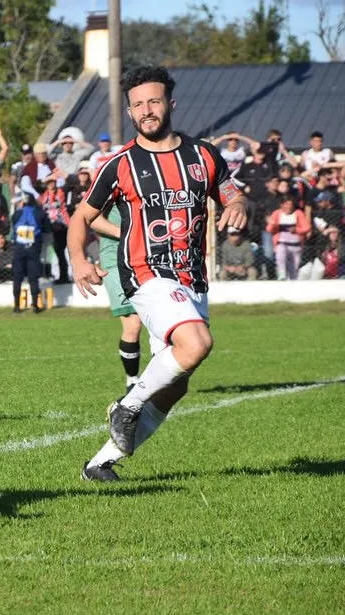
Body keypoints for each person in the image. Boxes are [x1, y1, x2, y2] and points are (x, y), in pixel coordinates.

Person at [68, 65, 247, 481]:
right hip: (146, 273)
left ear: (170, 103)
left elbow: (231, 192)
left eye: (153, 101)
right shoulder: (120, 164)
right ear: (130, 113)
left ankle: (100, 463)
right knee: (197, 343)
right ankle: (127, 405)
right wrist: (79, 259)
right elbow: (83, 215)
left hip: (192, 279)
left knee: (176, 384)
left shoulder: (203, 155)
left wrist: (238, 205)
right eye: (137, 104)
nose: (146, 110)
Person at [88, 202, 144, 391]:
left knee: (159, 323)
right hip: (116, 259)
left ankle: (159, 381)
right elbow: (91, 218)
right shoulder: (114, 177)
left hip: (147, 258)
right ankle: (133, 380)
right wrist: (125, 233)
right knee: (133, 324)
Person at [10, 194, 47, 312]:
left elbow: (13, 227)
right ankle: (35, 305)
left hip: (19, 249)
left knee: (17, 278)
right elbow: (47, 228)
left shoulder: (16, 214)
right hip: (33, 249)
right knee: (33, 278)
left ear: (23, 203)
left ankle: (16, 306)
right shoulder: (40, 213)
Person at [266, 195, 311, 280]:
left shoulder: (298, 213)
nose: (289, 207)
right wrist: (272, 223)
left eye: (291, 204)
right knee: (281, 251)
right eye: (286, 204)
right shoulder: (276, 214)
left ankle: (291, 283)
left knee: (293, 270)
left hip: (296, 245)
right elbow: (269, 229)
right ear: (282, 205)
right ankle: (281, 272)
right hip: (281, 242)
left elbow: (307, 227)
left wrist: (296, 230)